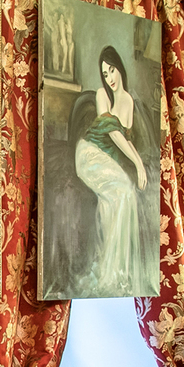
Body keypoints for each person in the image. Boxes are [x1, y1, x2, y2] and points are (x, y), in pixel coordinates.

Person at [75, 45, 154, 295]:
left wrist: (139, 164)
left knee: (121, 196)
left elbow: (126, 140)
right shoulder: (101, 95)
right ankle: (111, 271)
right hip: (89, 153)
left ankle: (115, 271)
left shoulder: (128, 101)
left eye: (112, 70)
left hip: (107, 159)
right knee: (124, 192)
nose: (109, 77)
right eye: (105, 73)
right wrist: (138, 165)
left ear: (119, 67)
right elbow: (113, 133)